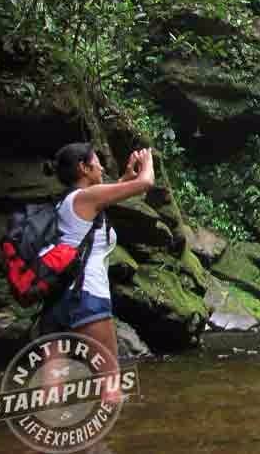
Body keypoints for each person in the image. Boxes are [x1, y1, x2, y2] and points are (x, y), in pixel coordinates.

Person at [40, 142, 155, 401]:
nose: (102, 167)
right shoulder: (86, 198)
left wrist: (126, 177)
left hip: (56, 302)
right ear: (84, 167)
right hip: (87, 296)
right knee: (110, 387)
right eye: (98, 162)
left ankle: (45, 427)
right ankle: (114, 429)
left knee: (51, 391)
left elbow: (108, 195)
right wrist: (148, 160)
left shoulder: (67, 202)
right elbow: (146, 183)